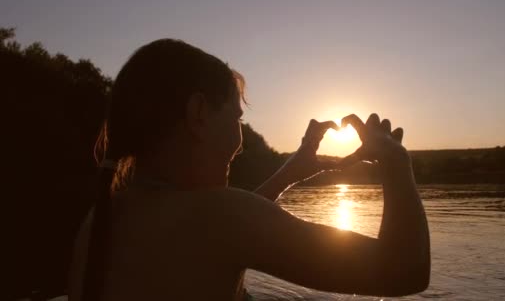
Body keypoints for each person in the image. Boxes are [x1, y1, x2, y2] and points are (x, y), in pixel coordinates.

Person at [68, 39, 430, 301]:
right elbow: (404, 271)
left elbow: (217, 232)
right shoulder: (220, 218)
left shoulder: (101, 218)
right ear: (198, 114)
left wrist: (290, 173)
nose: (239, 142)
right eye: (237, 118)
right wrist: (397, 163)